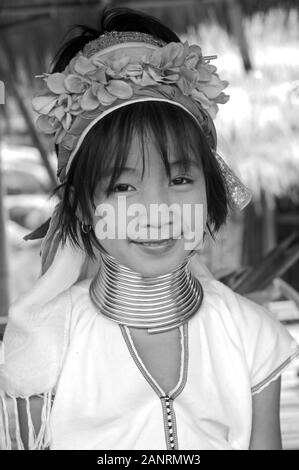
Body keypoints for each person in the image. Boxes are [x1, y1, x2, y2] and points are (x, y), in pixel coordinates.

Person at [0, 7, 298, 451]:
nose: (156, 210)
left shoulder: (253, 337)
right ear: (82, 206)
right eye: (122, 185)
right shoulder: (41, 351)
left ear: (212, 191)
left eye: (179, 179)